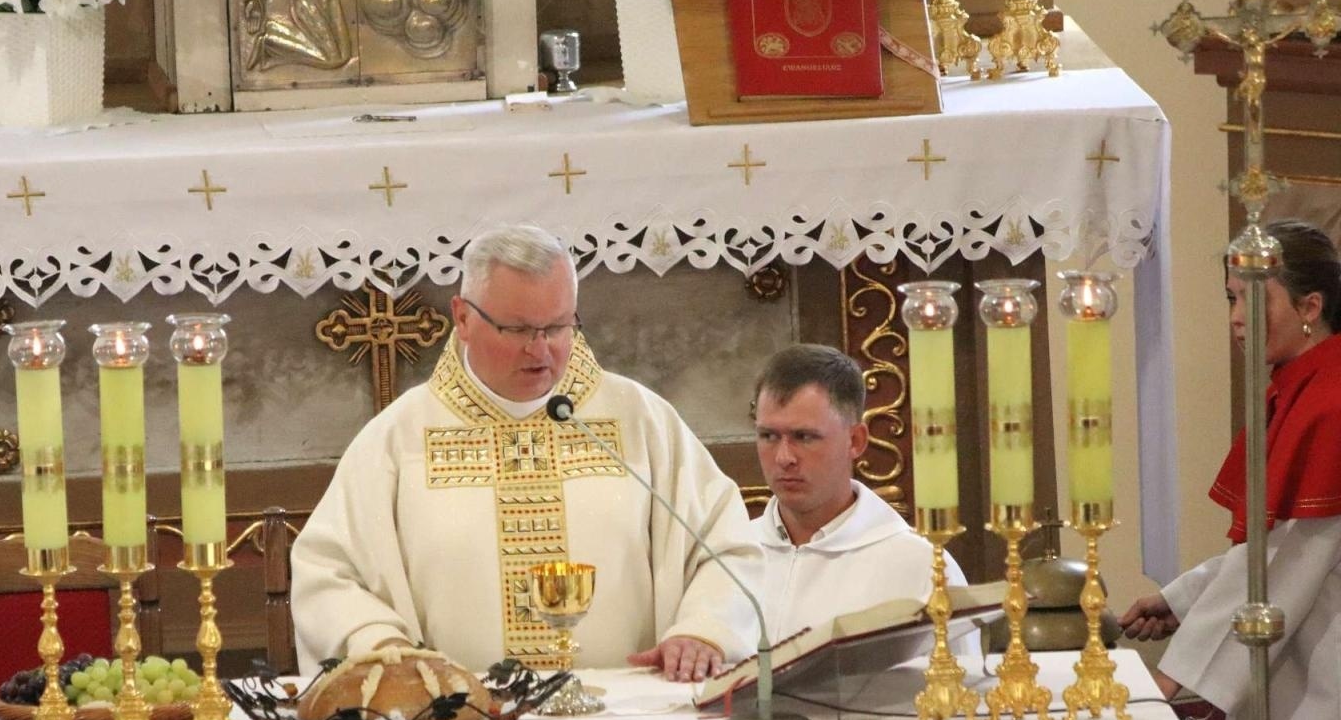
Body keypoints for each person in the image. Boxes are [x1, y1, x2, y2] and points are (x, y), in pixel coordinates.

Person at [292, 224, 761, 683]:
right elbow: (328, 572)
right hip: (457, 719)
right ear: (462, 317)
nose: (540, 350)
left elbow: (727, 545)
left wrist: (705, 631)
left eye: (557, 327)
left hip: (626, 709)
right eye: (517, 329)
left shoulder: (640, 420)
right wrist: (381, 647)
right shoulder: (399, 437)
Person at [1121, 219, 1341, 720]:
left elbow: (1284, 567)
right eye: (1231, 298)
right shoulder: (1304, 389)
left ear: (1310, 306)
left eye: (1252, 299)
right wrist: (1183, 599)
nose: (1236, 319)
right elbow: (1276, 543)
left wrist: (1170, 679)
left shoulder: (1328, 406)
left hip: (1323, 701)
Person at [750, 344, 967, 643]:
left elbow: (957, 686)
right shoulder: (730, 554)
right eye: (769, 436)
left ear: (855, 440)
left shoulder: (920, 567)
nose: (784, 457)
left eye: (804, 437)